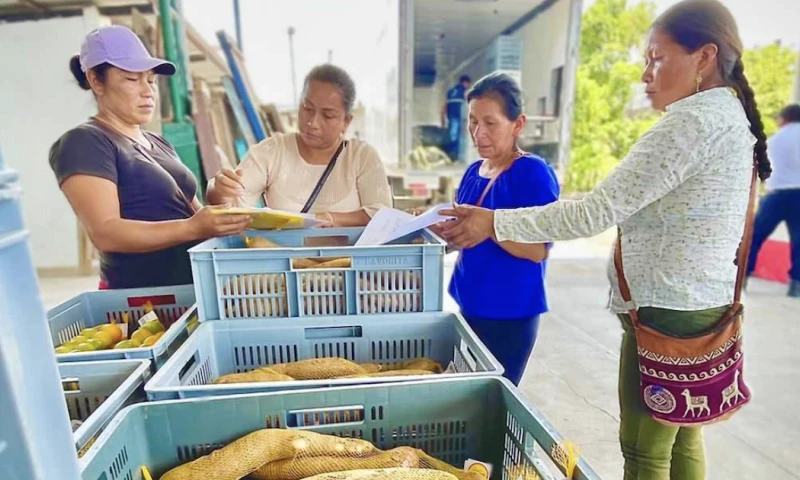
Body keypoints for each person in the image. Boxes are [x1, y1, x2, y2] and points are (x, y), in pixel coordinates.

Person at [438, 1, 769, 478]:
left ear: (704, 57)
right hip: (698, 304)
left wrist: (495, 223)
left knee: (645, 452)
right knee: (681, 438)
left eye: (656, 58)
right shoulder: (728, 117)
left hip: (668, 311)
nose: (645, 74)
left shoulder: (691, 124)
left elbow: (596, 211)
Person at [49, 25, 251, 289]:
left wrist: (218, 199)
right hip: (143, 301)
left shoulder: (158, 143)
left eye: (151, 80)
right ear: (96, 81)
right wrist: (192, 227)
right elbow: (106, 232)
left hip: (193, 291)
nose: (148, 91)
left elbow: (197, 219)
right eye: (132, 79)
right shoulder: (85, 142)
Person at [432, 72, 558, 386]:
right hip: (468, 303)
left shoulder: (532, 173)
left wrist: (491, 228)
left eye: (491, 123)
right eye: (473, 121)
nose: (478, 133)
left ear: (518, 124)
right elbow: (463, 233)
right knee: (464, 393)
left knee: (495, 399)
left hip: (510, 314)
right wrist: (440, 230)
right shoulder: (474, 171)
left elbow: (537, 249)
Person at [206, 65, 392, 227]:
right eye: (307, 109)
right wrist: (220, 191)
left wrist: (328, 218)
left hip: (351, 266)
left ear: (346, 121)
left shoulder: (361, 156)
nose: (313, 123)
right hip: (285, 265)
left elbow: (382, 215)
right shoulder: (272, 151)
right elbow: (232, 206)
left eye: (327, 115)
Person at [746, 103, 800, 297]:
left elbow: (760, 169)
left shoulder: (773, 140)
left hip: (775, 195)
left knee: (756, 236)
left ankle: (743, 276)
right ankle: (796, 285)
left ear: (783, 119)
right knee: (799, 241)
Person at [441, 75, 472, 162]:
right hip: (459, 117)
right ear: (465, 83)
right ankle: (455, 156)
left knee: (452, 135)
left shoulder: (450, 91)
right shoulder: (464, 91)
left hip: (451, 117)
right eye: (468, 84)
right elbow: (468, 105)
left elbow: (444, 106)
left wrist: (443, 118)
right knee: (459, 137)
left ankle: (451, 155)